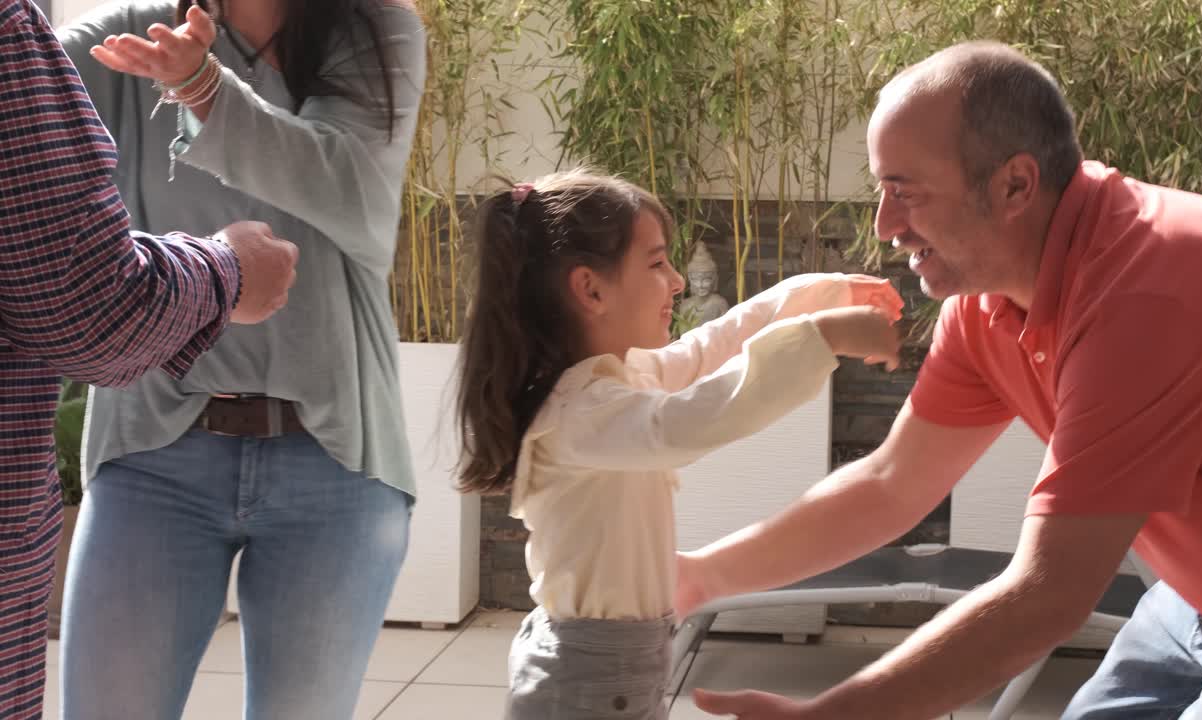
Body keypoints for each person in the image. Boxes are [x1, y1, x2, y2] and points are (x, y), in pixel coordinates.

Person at [679, 41, 1202, 720]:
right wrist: (698, 576)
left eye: (905, 193)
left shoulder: (1146, 298)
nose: (885, 226)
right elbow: (891, 485)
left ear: (1015, 185)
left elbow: (1046, 597)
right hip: (1195, 601)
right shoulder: (984, 304)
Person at [54, 1, 424, 718]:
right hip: (151, 455)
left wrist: (203, 89)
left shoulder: (376, 27)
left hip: (334, 459)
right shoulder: (129, 37)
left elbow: (345, 184)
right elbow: (24, 100)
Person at [453, 169, 904, 720]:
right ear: (591, 289)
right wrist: (824, 337)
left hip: (610, 665)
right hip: (589, 677)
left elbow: (709, 347)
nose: (678, 282)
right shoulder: (582, 412)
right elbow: (699, 417)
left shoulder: (619, 377)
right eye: (656, 263)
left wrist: (818, 294)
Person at [0, 1, 297, 718]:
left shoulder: (363, 43)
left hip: (321, 441)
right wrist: (228, 268)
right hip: (151, 441)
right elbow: (89, 302)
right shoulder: (73, 32)